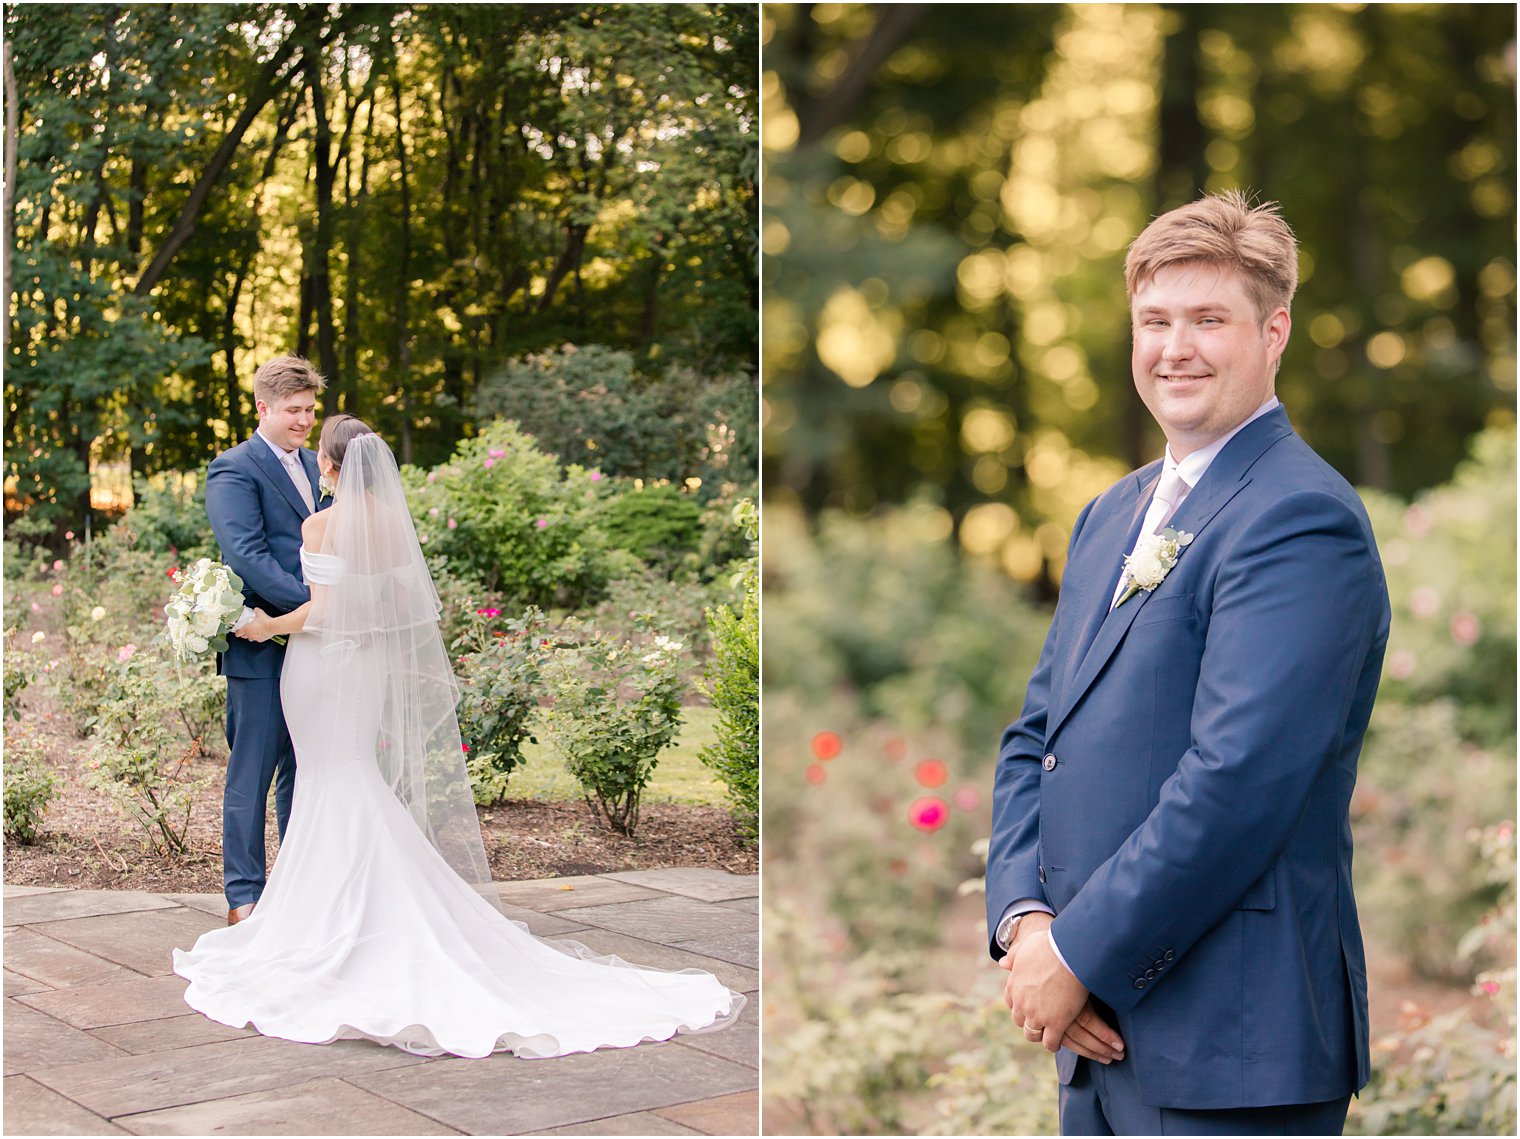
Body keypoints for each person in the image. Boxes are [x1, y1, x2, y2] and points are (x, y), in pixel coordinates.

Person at [986, 190, 1390, 1135]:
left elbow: (1237, 782)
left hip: (1233, 1044)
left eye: (1210, 319)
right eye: (1155, 321)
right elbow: (1036, 737)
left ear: (1274, 329)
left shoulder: (1300, 519)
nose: (1177, 348)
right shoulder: (1108, 514)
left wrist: (1078, 953)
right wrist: (1023, 925)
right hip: (1097, 1036)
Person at [174, 416, 742, 1058]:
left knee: (331, 779)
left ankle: (331, 926)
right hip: (363, 672)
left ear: (330, 465)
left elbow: (324, 611)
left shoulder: (322, 524)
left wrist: (260, 627)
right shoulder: (389, 523)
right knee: (348, 774)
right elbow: (383, 605)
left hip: (321, 665)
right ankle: (367, 914)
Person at [204, 355, 328, 926]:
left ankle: (298, 888)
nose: (305, 421)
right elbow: (246, 555)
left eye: (309, 410)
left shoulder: (316, 465)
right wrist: (311, 606)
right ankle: (243, 898)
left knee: (304, 771)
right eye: (294, 411)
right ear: (263, 407)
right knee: (251, 774)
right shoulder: (234, 468)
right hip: (260, 646)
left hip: (314, 646)